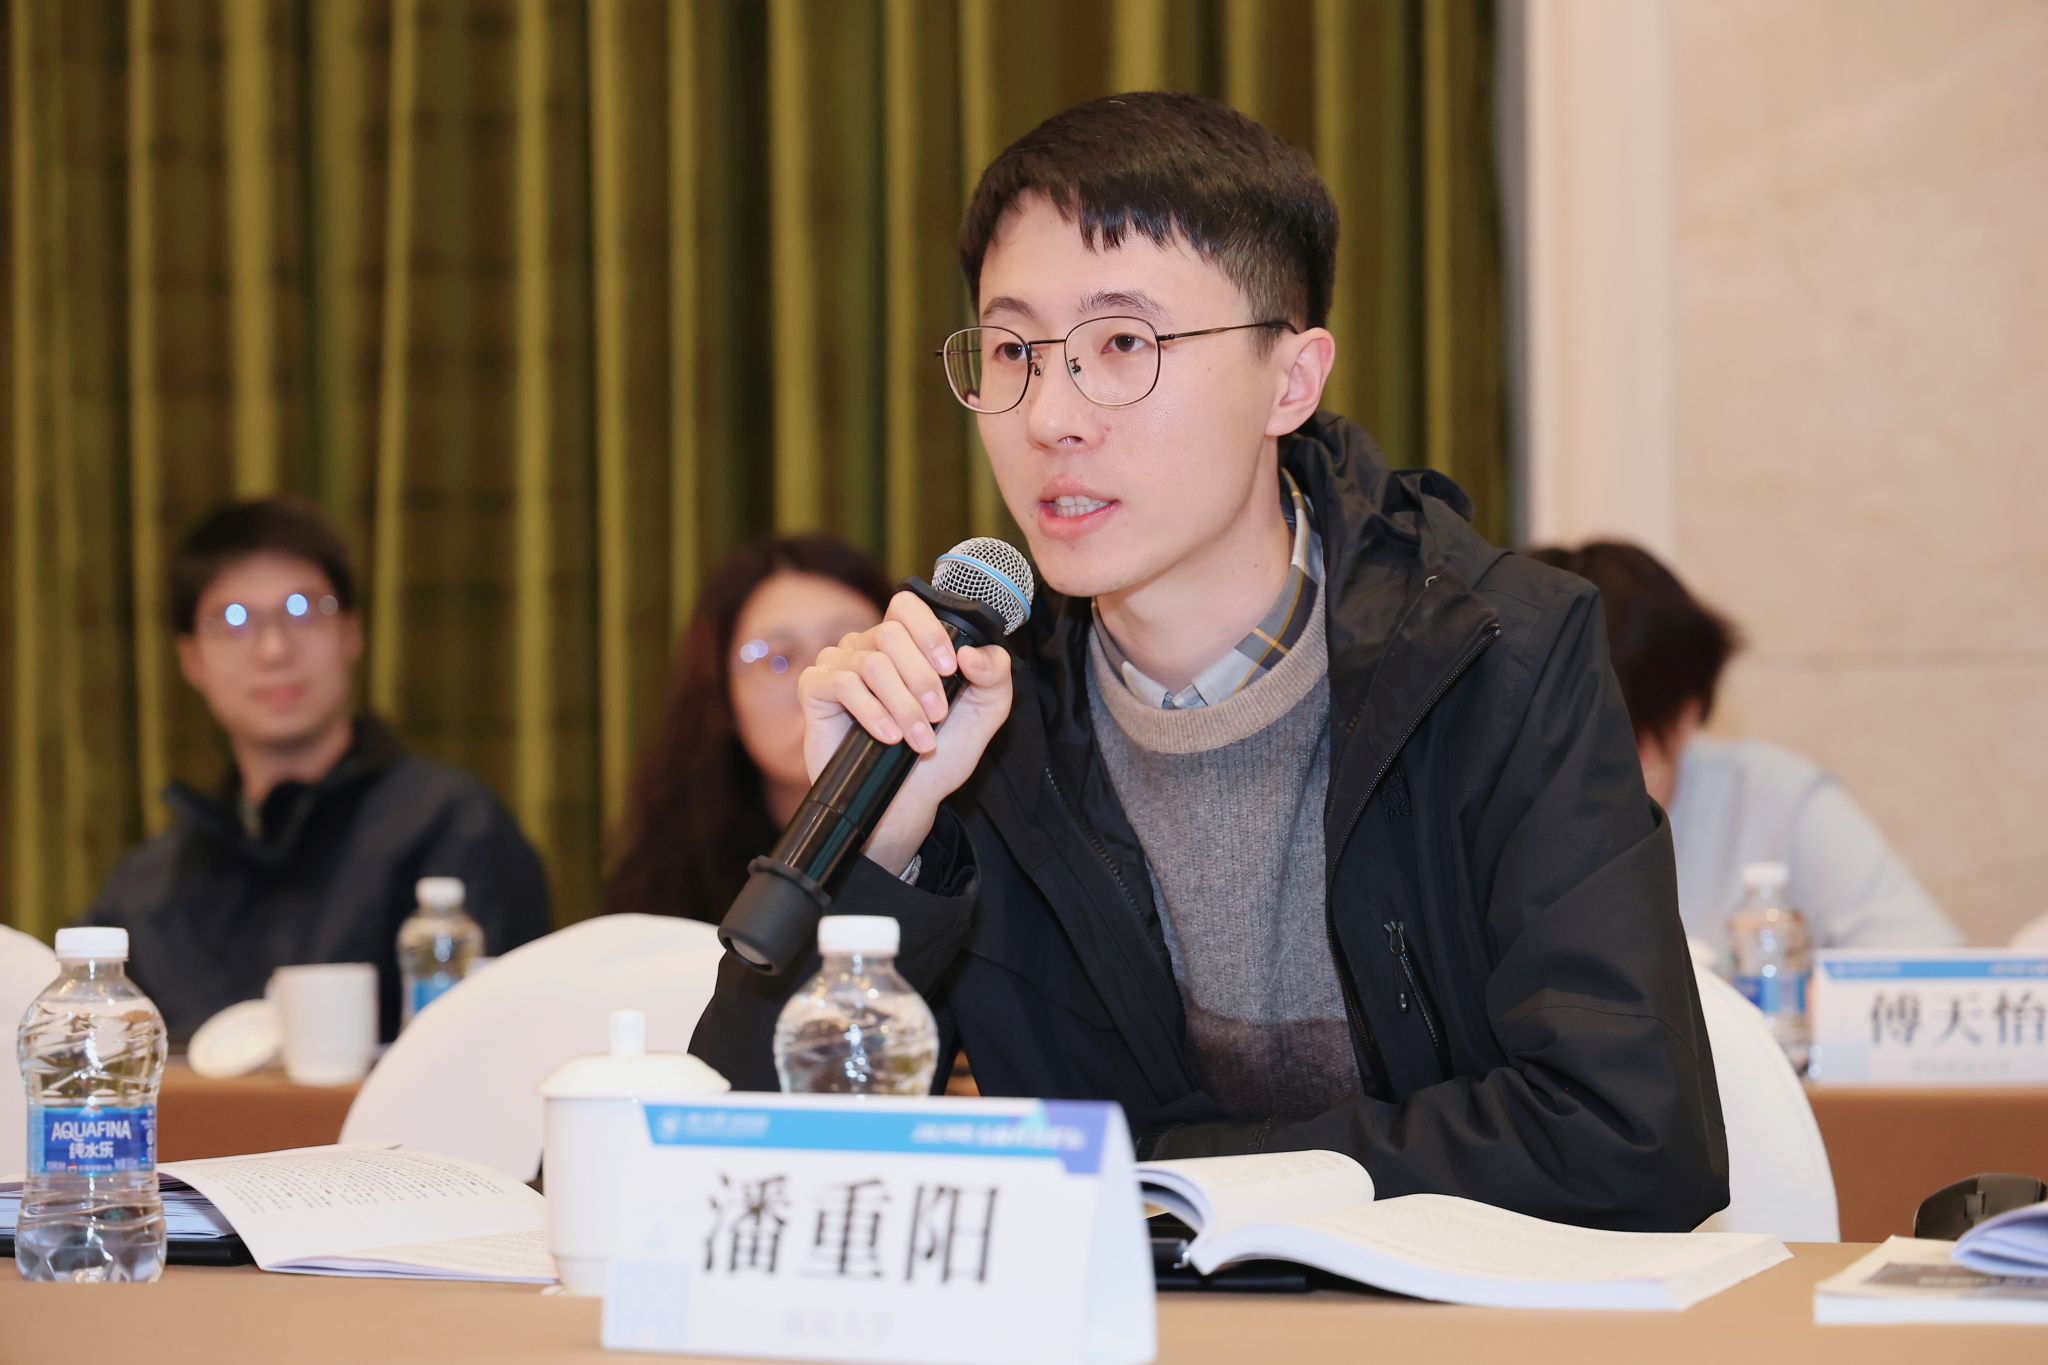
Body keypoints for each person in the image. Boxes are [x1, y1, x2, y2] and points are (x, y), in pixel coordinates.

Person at [693, 93, 1727, 1232]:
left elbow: (1631, 1139)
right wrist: (883, 846)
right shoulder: (978, 699)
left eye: (1122, 345)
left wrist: (1163, 1178)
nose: (1049, 417)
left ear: (1291, 379)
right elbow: (745, 1175)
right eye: (1013, 351)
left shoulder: (1497, 656)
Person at [81, 498, 551, 1041]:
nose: (274, 650)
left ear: (351, 633)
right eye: (234, 621)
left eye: (304, 611)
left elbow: (502, 1051)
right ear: (190, 659)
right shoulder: (145, 891)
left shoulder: (453, 829)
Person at [1526, 540, 1961, 954]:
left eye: (1614, 747)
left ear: (1684, 715)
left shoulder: (1777, 800)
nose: (1579, 780)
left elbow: (1930, 966)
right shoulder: (1501, 818)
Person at [605, 535, 893, 922]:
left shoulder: (956, 848)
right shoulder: (674, 874)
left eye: (848, 647)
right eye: (779, 660)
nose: (818, 680)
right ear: (723, 698)